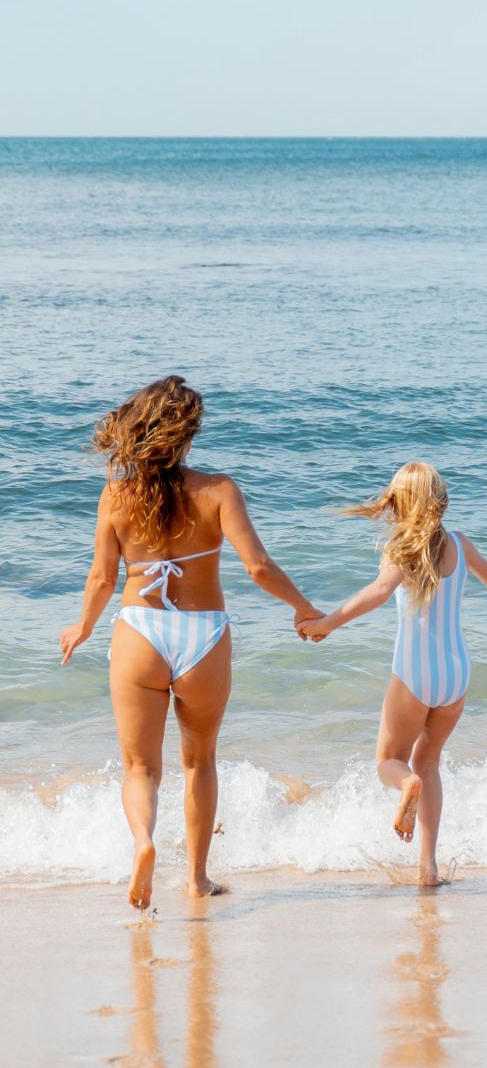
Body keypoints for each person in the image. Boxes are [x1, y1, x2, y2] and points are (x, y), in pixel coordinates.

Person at [60, 376, 321, 909]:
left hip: (139, 631)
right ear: (187, 433)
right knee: (199, 762)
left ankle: (144, 843)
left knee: (140, 768)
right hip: (203, 636)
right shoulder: (219, 490)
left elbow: (103, 580)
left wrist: (81, 626)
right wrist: (304, 608)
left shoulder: (116, 494)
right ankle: (197, 879)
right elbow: (258, 567)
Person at [298, 462, 487, 887]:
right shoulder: (460, 544)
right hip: (456, 674)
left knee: (390, 761)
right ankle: (428, 867)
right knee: (430, 761)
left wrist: (327, 622)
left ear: (400, 502)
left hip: (415, 672)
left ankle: (406, 786)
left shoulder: (402, 548)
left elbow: (376, 594)